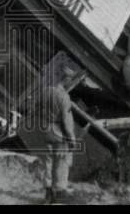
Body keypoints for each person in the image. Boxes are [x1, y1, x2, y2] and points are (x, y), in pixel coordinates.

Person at [21, 68, 84, 204]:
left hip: (46, 131)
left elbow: (35, 108)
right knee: (62, 161)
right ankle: (59, 193)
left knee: (49, 161)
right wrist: (72, 139)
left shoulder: (46, 91)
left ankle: (48, 192)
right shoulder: (64, 97)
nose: (71, 84)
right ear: (66, 80)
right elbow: (67, 121)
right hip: (59, 133)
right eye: (70, 81)